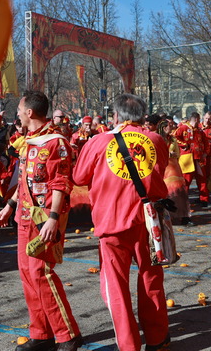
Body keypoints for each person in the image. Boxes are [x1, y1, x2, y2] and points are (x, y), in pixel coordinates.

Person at [73, 93, 171, 351]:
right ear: (142, 115)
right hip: (149, 222)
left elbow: (79, 177)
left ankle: (128, 345)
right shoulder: (156, 140)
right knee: (151, 279)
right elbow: (159, 169)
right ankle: (157, 339)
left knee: (116, 287)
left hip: (112, 221)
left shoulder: (98, 141)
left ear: (116, 115)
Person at [0, 91, 82, 351]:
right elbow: (26, 179)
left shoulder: (56, 142)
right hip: (24, 217)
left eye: (19, 111)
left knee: (41, 274)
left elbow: (61, 183)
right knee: (27, 275)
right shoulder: (30, 140)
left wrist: (53, 218)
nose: (18, 115)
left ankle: (67, 334)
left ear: (30, 113)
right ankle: (41, 334)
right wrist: (10, 205)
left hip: (43, 218)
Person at [157, 117, 193, 226]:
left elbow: (178, 153)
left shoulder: (173, 139)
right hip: (163, 167)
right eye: (170, 125)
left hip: (174, 167)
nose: (172, 127)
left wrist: (174, 156)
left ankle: (184, 216)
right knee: (167, 192)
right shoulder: (157, 138)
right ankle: (167, 217)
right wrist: (168, 155)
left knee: (180, 191)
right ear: (164, 127)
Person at [174, 112, 210, 207]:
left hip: (199, 158)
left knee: (202, 180)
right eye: (199, 119)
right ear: (196, 119)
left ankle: (204, 200)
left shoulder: (200, 130)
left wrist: (205, 153)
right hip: (187, 159)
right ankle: (183, 201)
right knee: (186, 181)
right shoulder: (183, 128)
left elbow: (206, 143)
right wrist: (184, 144)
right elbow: (174, 137)